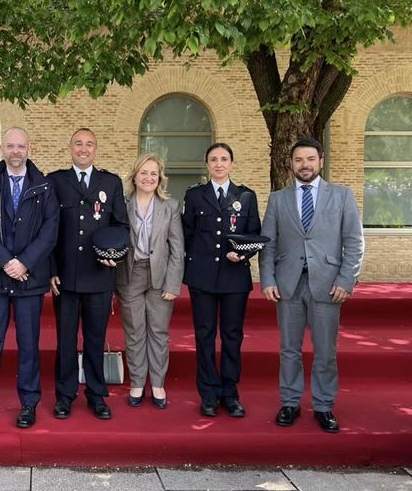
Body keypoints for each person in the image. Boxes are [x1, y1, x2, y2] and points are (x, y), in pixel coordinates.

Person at [260, 137, 364, 433]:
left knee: (325, 350)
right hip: (288, 285)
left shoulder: (342, 196)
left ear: (320, 161)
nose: (304, 165)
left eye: (309, 159)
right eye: (298, 160)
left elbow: (354, 242)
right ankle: (290, 402)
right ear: (291, 164)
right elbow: (268, 243)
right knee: (289, 349)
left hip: (329, 284)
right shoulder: (278, 199)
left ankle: (323, 405)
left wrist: (346, 279)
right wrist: (267, 278)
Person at [0, 127, 58, 429]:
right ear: (2, 147)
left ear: (29, 148)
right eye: (10, 146)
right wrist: (7, 261)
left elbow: (50, 231)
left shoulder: (44, 186)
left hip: (29, 279)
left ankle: (29, 404)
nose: (16, 151)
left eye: (21, 146)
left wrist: (24, 263)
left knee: (29, 343)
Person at [49, 128, 130, 420]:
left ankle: (96, 395)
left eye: (89, 144)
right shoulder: (55, 181)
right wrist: (51, 270)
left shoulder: (110, 182)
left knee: (96, 340)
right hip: (65, 278)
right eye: (78, 144)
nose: (84, 149)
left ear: (96, 149)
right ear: (70, 148)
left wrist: (115, 255)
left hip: (99, 276)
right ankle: (65, 395)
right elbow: (47, 231)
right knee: (66, 341)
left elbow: (121, 226)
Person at [182, 142, 260, 418]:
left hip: (234, 277)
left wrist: (243, 255)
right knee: (204, 336)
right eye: (213, 159)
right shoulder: (194, 196)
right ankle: (209, 393)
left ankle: (230, 392)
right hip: (202, 276)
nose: (218, 164)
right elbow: (187, 235)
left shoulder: (246, 196)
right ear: (207, 164)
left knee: (231, 336)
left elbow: (254, 234)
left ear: (231, 163)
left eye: (224, 159)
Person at [115, 153, 184, 409]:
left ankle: (157, 383)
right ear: (135, 176)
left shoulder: (171, 206)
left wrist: (173, 284)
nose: (149, 178)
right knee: (134, 332)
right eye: (144, 173)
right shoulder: (122, 204)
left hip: (160, 275)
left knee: (158, 331)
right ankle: (136, 382)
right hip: (130, 274)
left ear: (160, 178)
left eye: (153, 173)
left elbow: (177, 248)